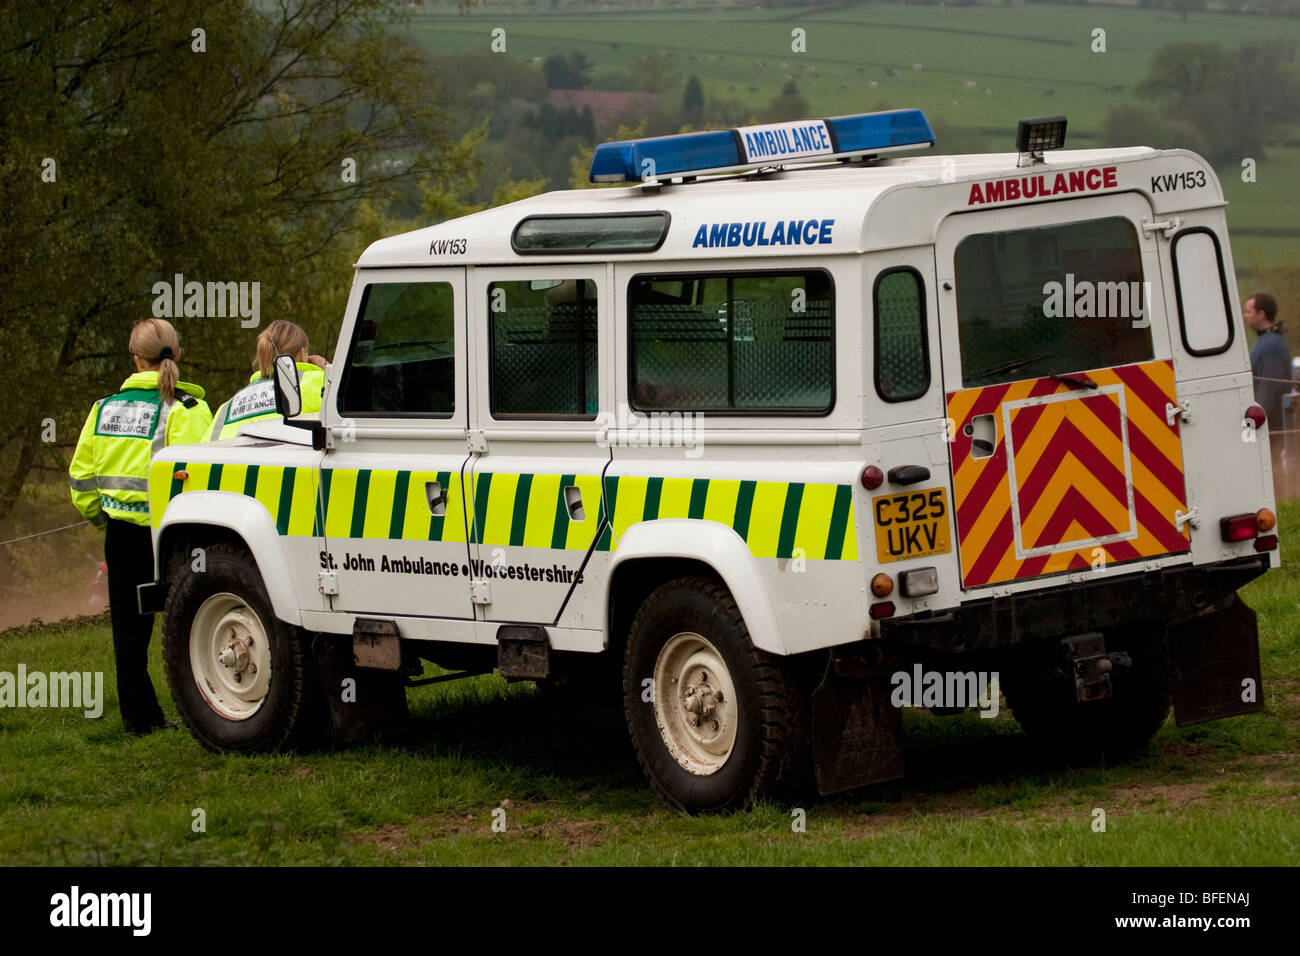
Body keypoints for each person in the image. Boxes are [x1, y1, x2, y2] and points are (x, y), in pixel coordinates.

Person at [69, 318, 212, 735]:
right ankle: (212, 707)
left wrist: (104, 518)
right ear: (177, 354)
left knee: (128, 635)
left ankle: (140, 720)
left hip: (122, 537)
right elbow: (206, 476)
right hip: (174, 538)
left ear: (135, 357)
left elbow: (81, 480)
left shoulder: (102, 409)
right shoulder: (189, 410)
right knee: (195, 621)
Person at [205, 320, 326, 440]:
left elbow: (202, 454)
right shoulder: (318, 383)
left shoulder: (227, 408)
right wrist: (329, 371)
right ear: (302, 353)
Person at [1244, 293, 1293, 494]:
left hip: (1266, 423)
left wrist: (1251, 426)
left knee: (1270, 467)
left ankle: (1279, 500)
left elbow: (1270, 392)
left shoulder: (1272, 346)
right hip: (1260, 421)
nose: (1245, 315)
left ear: (1261, 314)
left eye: (1248, 311)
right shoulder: (1267, 342)